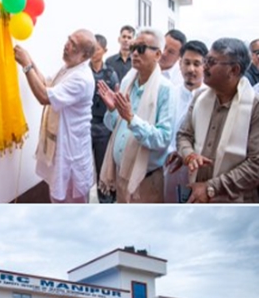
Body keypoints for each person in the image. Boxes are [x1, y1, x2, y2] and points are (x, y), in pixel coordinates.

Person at [14, 29, 96, 203]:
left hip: (71, 153)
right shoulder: (69, 68)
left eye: (73, 45)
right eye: (69, 39)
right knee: (58, 197)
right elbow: (46, 83)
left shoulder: (81, 78)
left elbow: (44, 96)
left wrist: (26, 65)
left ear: (84, 56)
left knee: (71, 205)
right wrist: (30, 59)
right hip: (61, 149)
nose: (67, 45)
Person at [175, 38, 259, 203]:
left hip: (236, 204)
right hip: (197, 195)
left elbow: (256, 164)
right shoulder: (200, 98)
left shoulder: (254, 107)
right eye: (206, 60)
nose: (204, 66)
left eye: (211, 62)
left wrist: (211, 187)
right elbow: (183, 135)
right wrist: (189, 154)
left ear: (234, 70)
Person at [97, 27, 175, 203]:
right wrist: (112, 110)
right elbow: (115, 126)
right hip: (121, 173)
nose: (134, 54)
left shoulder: (166, 90)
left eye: (141, 49)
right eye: (133, 48)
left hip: (145, 180)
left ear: (157, 55)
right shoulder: (128, 81)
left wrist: (132, 119)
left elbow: (163, 139)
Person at [164, 40, 208, 203]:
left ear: (205, 65)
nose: (191, 69)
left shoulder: (211, 98)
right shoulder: (169, 95)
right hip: (170, 167)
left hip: (200, 172)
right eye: (187, 63)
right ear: (179, 63)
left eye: (197, 64)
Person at [90, 34, 120, 203]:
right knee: (85, 168)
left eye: (97, 49)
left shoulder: (110, 73)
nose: (94, 53)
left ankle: (106, 200)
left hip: (104, 126)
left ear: (105, 51)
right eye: (92, 49)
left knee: (103, 166)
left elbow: (116, 97)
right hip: (86, 124)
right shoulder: (83, 71)